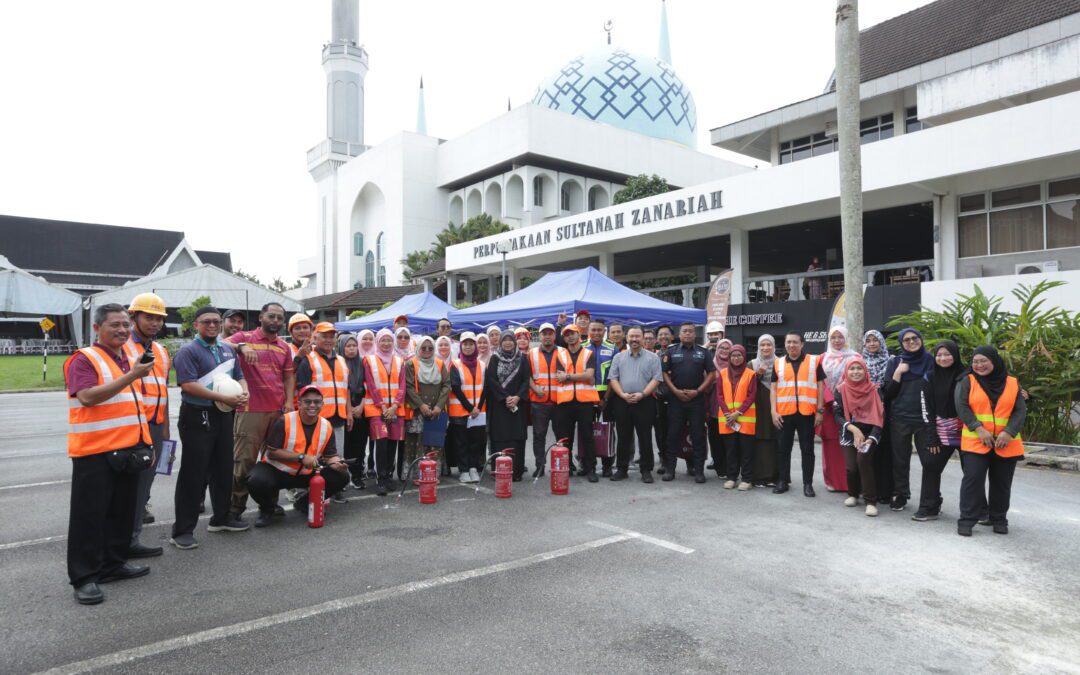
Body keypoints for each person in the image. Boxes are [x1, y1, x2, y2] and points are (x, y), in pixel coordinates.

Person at [64, 304, 156, 605]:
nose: (122, 330)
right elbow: (88, 397)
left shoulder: (128, 358)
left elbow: (135, 405)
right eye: (115, 325)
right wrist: (132, 376)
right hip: (95, 451)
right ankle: (84, 577)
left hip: (128, 448)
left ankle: (113, 564)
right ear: (97, 328)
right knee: (89, 517)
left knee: (121, 512)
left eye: (126, 326)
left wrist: (147, 444)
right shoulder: (84, 359)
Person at [171, 306, 250, 550]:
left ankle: (221, 518)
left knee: (223, 468)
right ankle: (182, 530)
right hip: (197, 415)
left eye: (216, 321)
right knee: (194, 473)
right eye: (207, 322)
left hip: (224, 414)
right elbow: (188, 385)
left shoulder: (227, 349)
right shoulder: (188, 351)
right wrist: (224, 399)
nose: (213, 326)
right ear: (196, 325)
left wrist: (244, 391)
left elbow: (239, 375)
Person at [227, 302, 295, 520]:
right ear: (261, 318)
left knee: (272, 461)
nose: (275, 321)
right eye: (271, 316)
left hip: (277, 411)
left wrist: (289, 403)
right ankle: (235, 508)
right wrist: (241, 348)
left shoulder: (284, 347)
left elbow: (288, 376)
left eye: (279, 318)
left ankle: (269, 506)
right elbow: (221, 343)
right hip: (250, 410)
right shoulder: (244, 338)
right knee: (244, 460)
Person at [247, 385, 350, 527]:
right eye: (307, 402)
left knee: (342, 476)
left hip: (306, 473)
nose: (312, 405)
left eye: (317, 402)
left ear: (322, 404)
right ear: (299, 404)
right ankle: (268, 509)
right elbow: (272, 452)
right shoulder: (285, 421)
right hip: (278, 471)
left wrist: (338, 463)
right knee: (256, 480)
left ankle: (305, 503)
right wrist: (301, 457)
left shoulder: (326, 425)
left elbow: (330, 455)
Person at [955, 346, 1026, 536]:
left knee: (1001, 483)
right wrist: (978, 428)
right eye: (975, 361)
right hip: (976, 442)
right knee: (973, 480)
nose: (979, 365)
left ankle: (999, 519)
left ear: (994, 361)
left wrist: (1009, 432)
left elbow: (1020, 410)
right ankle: (967, 520)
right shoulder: (967, 381)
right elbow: (961, 406)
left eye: (983, 361)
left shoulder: (1012, 383)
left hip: (1006, 443)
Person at [121, 292, 170, 559]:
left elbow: (163, 389)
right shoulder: (122, 347)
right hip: (131, 427)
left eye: (158, 319)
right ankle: (124, 540)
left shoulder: (161, 351)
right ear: (133, 317)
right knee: (129, 486)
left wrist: (165, 427)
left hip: (155, 426)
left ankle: (132, 537)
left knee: (144, 485)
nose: (154, 323)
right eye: (148, 317)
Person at [294, 323, 354, 485]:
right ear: (315, 338)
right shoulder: (308, 360)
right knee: (314, 457)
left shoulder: (341, 360)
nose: (328, 340)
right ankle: (307, 491)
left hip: (338, 417)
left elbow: (346, 388)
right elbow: (302, 391)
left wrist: (349, 412)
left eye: (331, 336)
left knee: (336, 457)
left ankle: (333, 488)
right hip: (316, 419)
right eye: (324, 336)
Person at [883, 327, 934, 512]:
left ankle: (931, 498)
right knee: (900, 460)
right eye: (906, 340)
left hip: (925, 420)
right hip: (900, 418)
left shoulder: (930, 361)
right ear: (901, 343)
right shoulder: (896, 362)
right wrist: (898, 373)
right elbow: (887, 394)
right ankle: (901, 495)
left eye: (915, 338)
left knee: (929, 461)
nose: (911, 342)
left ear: (921, 339)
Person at [770, 331, 825, 496]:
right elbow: (773, 388)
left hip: (807, 413)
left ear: (802, 344)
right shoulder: (777, 363)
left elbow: (821, 386)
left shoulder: (814, 361)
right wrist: (773, 411)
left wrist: (820, 411)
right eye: (788, 342)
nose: (791, 345)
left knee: (807, 449)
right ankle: (783, 481)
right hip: (784, 413)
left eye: (795, 342)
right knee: (783, 449)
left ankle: (808, 484)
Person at [662, 322, 716, 483]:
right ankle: (670, 470)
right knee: (672, 435)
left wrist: (698, 391)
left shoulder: (703, 352)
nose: (687, 334)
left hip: (696, 400)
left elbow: (712, 374)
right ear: (680, 333)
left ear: (695, 334)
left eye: (690, 332)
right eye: (684, 331)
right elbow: (664, 373)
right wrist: (675, 391)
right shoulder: (671, 351)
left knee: (698, 436)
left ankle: (699, 471)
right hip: (676, 399)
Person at [608, 326, 662, 482]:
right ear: (626, 338)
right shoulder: (619, 357)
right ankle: (622, 469)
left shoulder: (653, 358)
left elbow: (656, 379)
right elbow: (613, 379)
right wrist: (623, 395)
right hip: (622, 401)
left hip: (644, 401)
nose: (634, 339)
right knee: (623, 436)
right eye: (631, 336)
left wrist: (643, 394)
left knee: (645, 436)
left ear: (643, 338)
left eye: (637, 336)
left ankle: (646, 470)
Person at [921, 340, 965, 522]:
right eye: (939, 355)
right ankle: (929, 507)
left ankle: (979, 511)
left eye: (947, 354)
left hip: (967, 431)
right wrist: (932, 437)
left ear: (955, 355)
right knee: (931, 466)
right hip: (941, 431)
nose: (943, 358)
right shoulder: (929, 377)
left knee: (972, 472)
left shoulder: (967, 376)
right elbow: (926, 408)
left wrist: (1023, 395)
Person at [833, 357, 883, 517]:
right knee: (851, 467)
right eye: (852, 369)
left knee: (863, 460)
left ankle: (870, 502)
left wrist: (872, 437)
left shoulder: (875, 389)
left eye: (859, 368)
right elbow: (837, 415)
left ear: (865, 370)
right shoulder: (840, 389)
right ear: (846, 371)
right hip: (849, 431)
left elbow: (880, 416)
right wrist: (853, 429)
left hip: (870, 432)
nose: (855, 372)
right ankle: (853, 494)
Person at [363, 329, 406, 495]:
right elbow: (371, 386)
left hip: (395, 409)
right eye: (383, 340)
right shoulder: (369, 360)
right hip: (376, 409)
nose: (386, 344)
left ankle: (388, 475)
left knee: (392, 443)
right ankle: (380, 478)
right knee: (380, 442)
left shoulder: (399, 361)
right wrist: (382, 406)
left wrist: (395, 406)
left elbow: (402, 386)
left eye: (389, 340)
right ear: (377, 342)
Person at [554, 324, 599, 482]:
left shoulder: (588, 353)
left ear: (579, 335)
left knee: (587, 436)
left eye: (573, 334)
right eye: (567, 335)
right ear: (564, 338)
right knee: (565, 437)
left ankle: (590, 468)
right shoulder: (561, 355)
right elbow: (559, 376)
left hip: (584, 401)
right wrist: (575, 376)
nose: (570, 337)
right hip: (565, 402)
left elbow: (589, 376)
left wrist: (568, 376)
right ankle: (567, 467)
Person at [486, 332, 530, 480]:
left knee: (517, 437)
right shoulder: (494, 358)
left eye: (511, 340)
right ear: (500, 342)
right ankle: (499, 470)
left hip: (518, 405)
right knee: (500, 436)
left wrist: (517, 397)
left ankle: (516, 472)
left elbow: (526, 380)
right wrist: (505, 397)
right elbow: (491, 380)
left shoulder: (522, 359)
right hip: (499, 405)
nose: (508, 343)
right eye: (505, 340)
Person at [403, 336, 450, 471]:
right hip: (417, 411)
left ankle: (433, 473)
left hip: (436, 410)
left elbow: (446, 385)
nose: (427, 350)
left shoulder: (440, 364)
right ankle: (416, 474)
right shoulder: (411, 364)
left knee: (434, 441)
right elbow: (409, 387)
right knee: (417, 441)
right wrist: (421, 405)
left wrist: (439, 406)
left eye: (430, 348)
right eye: (423, 348)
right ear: (418, 348)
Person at [820, 327, 857, 493]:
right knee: (831, 444)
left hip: (850, 407)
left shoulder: (855, 357)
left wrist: (843, 396)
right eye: (833, 337)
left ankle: (851, 482)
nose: (836, 340)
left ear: (846, 338)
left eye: (840, 337)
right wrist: (830, 399)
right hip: (828, 407)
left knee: (850, 443)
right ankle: (833, 481)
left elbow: (860, 378)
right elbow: (818, 382)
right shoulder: (823, 358)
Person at [717, 344, 757, 490]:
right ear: (729, 357)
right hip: (728, 419)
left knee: (746, 451)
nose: (736, 358)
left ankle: (747, 479)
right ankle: (731, 477)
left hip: (745, 418)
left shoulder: (750, 374)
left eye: (739, 355)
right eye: (733, 355)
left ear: (744, 357)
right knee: (731, 450)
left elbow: (752, 395)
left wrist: (738, 412)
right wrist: (728, 413)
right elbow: (719, 395)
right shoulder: (722, 373)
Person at [449, 332, 487, 483]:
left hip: (479, 412)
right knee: (461, 442)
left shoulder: (482, 365)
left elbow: (485, 388)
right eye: (465, 344)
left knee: (475, 441)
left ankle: (473, 468)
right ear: (461, 346)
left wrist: (477, 408)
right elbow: (456, 388)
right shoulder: (455, 364)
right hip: (460, 411)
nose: (468, 347)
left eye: (471, 344)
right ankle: (463, 470)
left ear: (475, 346)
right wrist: (470, 408)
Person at [862, 329, 894, 502]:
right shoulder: (861, 361)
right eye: (869, 341)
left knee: (884, 450)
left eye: (875, 340)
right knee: (867, 450)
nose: (872, 343)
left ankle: (885, 491)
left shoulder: (890, 361)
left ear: (881, 342)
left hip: (885, 409)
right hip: (865, 411)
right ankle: (867, 489)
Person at [527, 323, 563, 477]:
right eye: (544, 333)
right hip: (538, 402)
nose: (547, 336)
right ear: (539, 336)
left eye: (550, 333)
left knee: (561, 435)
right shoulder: (531, 353)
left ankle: (564, 464)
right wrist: (535, 389)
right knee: (539, 435)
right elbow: (526, 375)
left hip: (559, 401)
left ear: (554, 335)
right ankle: (539, 466)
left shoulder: (563, 352)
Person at [586, 318, 617, 477]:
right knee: (587, 432)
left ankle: (607, 466)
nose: (596, 333)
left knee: (608, 431)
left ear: (604, 332)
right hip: (586, 396)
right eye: (594, 330)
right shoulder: (582, 348)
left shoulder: (612, 349)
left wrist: (605, 398)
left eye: (600, 330)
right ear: (588, 331)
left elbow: (614, 376)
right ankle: (588, 465)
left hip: (607, 396)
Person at [337, 333, 369, 489]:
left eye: (354, 346)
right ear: (342, 348)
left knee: (360, 443)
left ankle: (357, 474)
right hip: (344, 407)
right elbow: (344, 389)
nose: (351, 349)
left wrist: (362, 405)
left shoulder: (363, 363)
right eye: (348, 346)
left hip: (362, 406)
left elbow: (369, 386)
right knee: (346, 444)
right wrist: (350, 410)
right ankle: (344, 476)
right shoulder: (339, 363)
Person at [750, 335, 779, 486]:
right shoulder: (752, 364)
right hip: (758, 408)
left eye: (769, 345)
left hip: (777, 407)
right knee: (759, 441)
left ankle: (775, 477)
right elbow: (746, 387)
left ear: (774, 347)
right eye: (762, 345)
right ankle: (759, 477)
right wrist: (758, 374)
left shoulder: (781, 363)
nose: (765, 348)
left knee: (775, 440)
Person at [706, 338, 732, 477]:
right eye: (721, 348)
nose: (724, 351)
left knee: (729, 440)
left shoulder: (736, 366)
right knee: (715, 439)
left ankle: (730, 467)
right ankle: (719, 467)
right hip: (714, 409)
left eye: (727, 348)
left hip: (731, 411)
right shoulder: (710, 365)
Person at [653, 325, 674, 474]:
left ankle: (689, 461)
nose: (663, 337)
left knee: (677, 430)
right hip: (658, 397)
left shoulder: (677, 352)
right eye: (660, 335)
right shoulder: (654, 356)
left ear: (672, 337)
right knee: (661, 431)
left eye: (666, 334)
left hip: (676, 397)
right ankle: (664, 461)